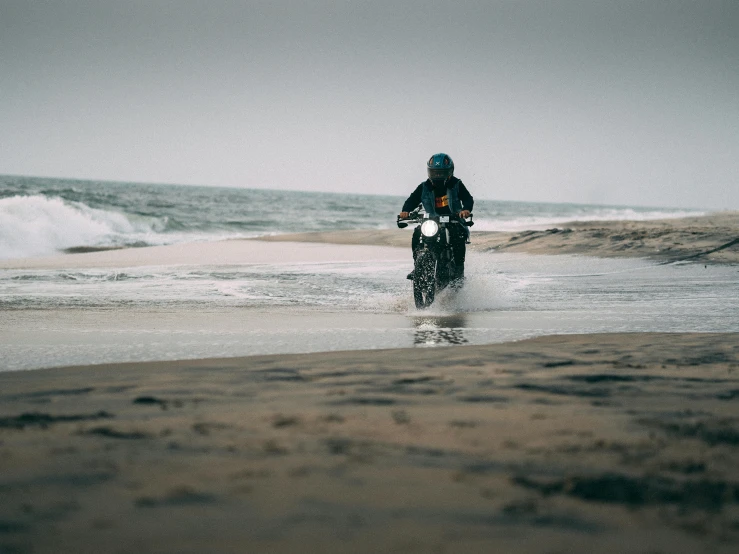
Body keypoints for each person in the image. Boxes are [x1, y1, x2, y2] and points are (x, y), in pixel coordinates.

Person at [399, 153, 474, 280]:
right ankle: (417, 265)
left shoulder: (457, 184)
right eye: (435, 172)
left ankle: (459, 270)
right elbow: (412, 200)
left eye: (441, 172)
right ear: (429, 172)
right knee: (417, 233)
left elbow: (468, 199)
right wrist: (405, 211)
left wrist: (466, 210)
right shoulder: (424, 186)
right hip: (432, 221)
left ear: (450, 171)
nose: (438, 175)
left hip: (454, 221)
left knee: (458, 236)